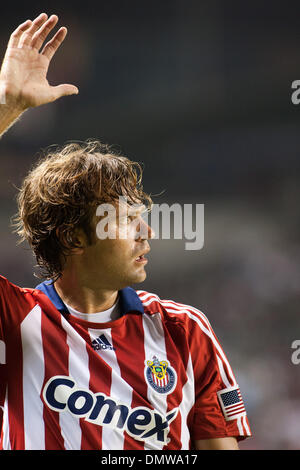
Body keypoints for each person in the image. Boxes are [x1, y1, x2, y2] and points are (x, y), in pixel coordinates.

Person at [0, 13, 251, 450]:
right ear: (73, 237)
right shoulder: (13, 319)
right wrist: (8, 106)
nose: (146, 232)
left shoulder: (185, 331)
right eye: (122, 219)